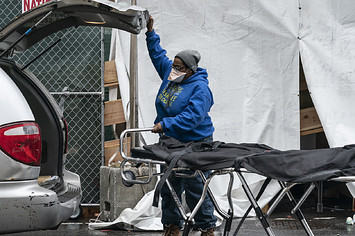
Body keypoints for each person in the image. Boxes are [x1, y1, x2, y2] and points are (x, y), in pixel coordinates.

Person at [145, 15, 217, 236]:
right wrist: (150, 32)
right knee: (170, 185)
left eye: (178, 68)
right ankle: (172, 226)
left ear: (190, 70)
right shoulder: (171, 75)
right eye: (173, 66)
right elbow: (158, 55)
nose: (173, 70)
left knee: (197, 186)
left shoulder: (200, 88)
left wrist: (165, 124)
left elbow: (193, 117)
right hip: (171, 142)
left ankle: (206, 228)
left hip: (196, 141)